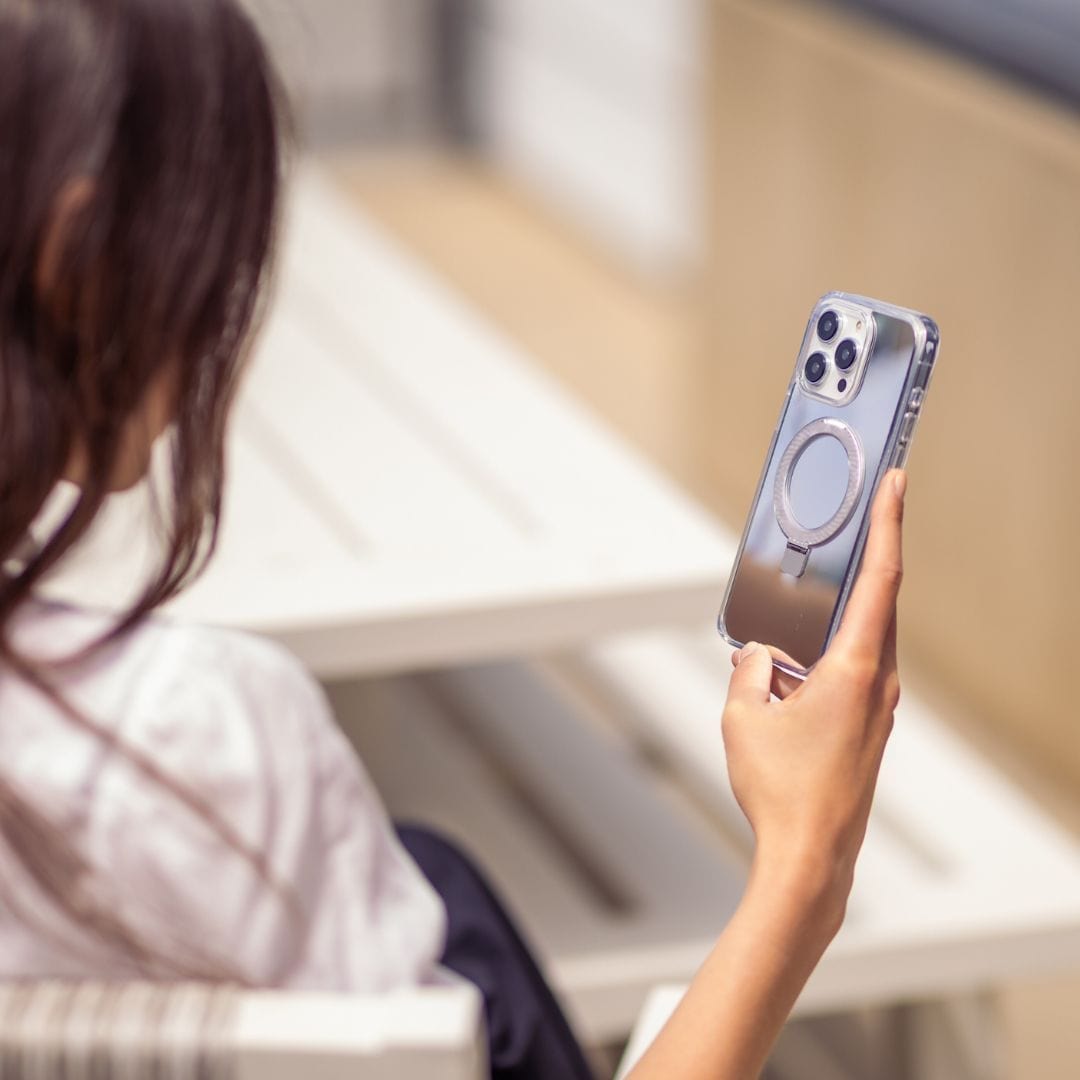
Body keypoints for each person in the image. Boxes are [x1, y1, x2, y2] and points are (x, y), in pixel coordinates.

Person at [0, 1, 903, 1077]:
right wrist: (807, 865)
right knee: (442, 890)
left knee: (433, 877)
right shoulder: (209, 743)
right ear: (76, 260)